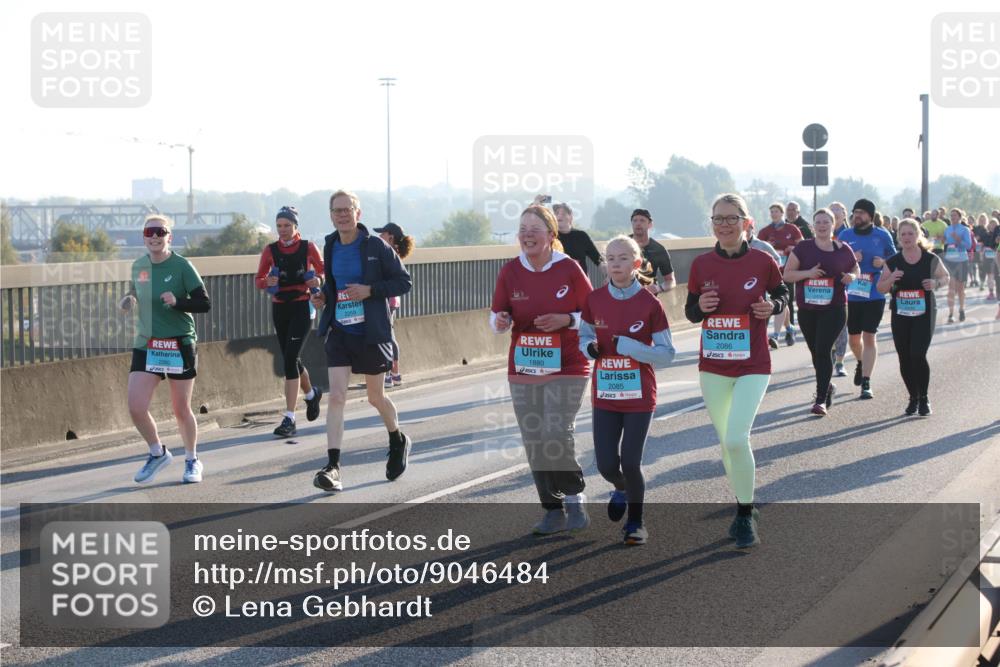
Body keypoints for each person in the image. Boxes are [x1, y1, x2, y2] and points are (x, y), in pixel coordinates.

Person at [685, 193, 788, 548]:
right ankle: (744, 502)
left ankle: (745, 513)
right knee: (726, 443)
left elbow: (783, 294)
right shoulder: (701, 265)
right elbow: (690, 312)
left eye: (731, 218)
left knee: (735, 438)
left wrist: (773, 306)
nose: (724, 225)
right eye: (718, 219)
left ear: (746, 222)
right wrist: (701, 306)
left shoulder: (763, 261)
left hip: (753, 363)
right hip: (714, 365)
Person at [491, 204, 593, 535]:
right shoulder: (510, 271)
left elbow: (594, 315)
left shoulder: (569, 268)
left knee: (555, 431)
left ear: (551, 234)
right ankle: (552, 509)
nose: (527, 235)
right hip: (525, 364)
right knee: (534, 438)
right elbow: (496, 316)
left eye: (534, 229)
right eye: (523, 229)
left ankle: (574, 497)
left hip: (568, 363)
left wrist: (566, 319)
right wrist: (500, 320)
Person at [310, 190, 413, 492]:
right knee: (336, 397)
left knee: (375, 397)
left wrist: (370, 290)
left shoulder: (376, 246)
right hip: (340, 331)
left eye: (348, 209)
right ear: (331, 215)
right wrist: (323, 297)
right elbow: (333, 285)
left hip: (371, 333)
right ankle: (333, 467)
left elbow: (403, 282)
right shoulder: (330, 245)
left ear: (358, 213)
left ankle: (397, 439)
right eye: (337, 210)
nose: (342, 215)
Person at [579, 235, 675, 545]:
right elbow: (583, 337)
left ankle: (636, 523)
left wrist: (632, 347)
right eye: (610, 258)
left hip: (639, 397)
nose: (615, 264)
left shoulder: (650, 303)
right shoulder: (594, 300)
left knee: (631, 462)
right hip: (606, 395)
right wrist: (589, 348)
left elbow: (667, 354)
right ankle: (621, 487)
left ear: (636, 263)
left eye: (622, 258)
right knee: (606, 465)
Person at [121, 215, 211, 485]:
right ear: (143, 237)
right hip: (147, 342)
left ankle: (192, 459)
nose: (155, 236)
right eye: (149, 232)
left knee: (180, 408)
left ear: (169, 237)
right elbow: (136, 290)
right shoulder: (139, 266)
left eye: (160, 232)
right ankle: (157, 453)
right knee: (136, 407)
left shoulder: (182, 266)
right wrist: (129, 299)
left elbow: (204, 303)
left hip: (178, 342)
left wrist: (178, 301)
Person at [255, 206, 325, 438]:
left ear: (295, 226)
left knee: (289, 359)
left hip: (302, 306)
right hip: (279, 307)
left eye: (287, 225)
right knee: (291, 358)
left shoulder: (308, 247)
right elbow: (258, 279)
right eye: (279, 226)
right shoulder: (270, 250)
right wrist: (267, 281)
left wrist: (318, 279)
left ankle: (289, 418)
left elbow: (324, 271)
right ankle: (312, 395)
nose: (283, 230)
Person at [781, 209, 858, 415]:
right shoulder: (803, 248)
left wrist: (852, 277)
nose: (822, 225)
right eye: (818, 222)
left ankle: (820, 399)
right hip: (808, 309)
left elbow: (855, 268)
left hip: (835, 308)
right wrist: (809, 273)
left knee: (823, 349)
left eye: (826, 222)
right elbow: (787, 275)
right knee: (816, 352)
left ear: (833, 225)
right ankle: (828, 385)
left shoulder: (843, 249)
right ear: (813, 226)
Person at [877, 219, 950, 417]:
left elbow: (946, 277)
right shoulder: (893, 261)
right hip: (901, 314)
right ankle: (913, 397)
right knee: (904, 357)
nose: (907, 237)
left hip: (924, 313)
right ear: (899, 237)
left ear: (918, 235)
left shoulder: (930, 258)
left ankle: (924, 398)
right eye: (903, 234)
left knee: (917, 354)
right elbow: (880, 288)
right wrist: (891, 279)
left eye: (910, 233)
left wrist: (935, 284)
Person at [837, 198, 896, 399]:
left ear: (870, 216)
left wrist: (884, 262)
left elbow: (895, 259)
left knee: (869, 336)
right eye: (855, 212)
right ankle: (861, 362)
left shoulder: (882, 235)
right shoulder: (845, 235)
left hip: (875, 293)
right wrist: (851, 258)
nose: (857, 216)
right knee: (854, 339)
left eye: (861, 213)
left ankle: (866, 382)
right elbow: (835, 261)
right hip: (852, 295)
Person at [374, 222, 415, 388]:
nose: (379, 236)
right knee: (389, 334)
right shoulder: (392, 253)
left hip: (388, 299)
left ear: (390, 237)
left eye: (382, 233)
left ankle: (391, 374)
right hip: (391, 299)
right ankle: (394, 374)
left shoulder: (389, 253)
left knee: (387, 336)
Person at [757, 202, 803, 346]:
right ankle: (767, 334)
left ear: (782, 213)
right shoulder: (765, 231)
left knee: (787, 301)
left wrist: (793, 248)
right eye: (772, 212)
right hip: (770, 272)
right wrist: (768, 249)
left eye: (776, 211)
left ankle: (789, 332)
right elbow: (757, 249)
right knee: (769, 301)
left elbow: (803, 246)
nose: (774, 214)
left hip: (788, 269)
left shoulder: (792, 229)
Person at [532, 196, 606, 280]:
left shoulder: (581, 236)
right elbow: (536, 225)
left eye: (563, 213)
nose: (559, 215)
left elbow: (598, 260)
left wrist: (610, 276)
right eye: (556, 213)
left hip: (580, 282)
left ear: (570, 217)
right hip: (557, 282)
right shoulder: (551, 237)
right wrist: (536, 205)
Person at [629, 209, 676, 295]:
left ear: (650, 224)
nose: (638, 223)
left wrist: (658, 288)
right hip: (624, 297)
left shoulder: (659, 249)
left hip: (648, 298)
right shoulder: (622, 244)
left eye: (642, 220)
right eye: (635, 220)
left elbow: (671, 281)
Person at [829, 201, 852, 375]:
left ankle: (840, 361)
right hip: (825, 285)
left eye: (838, 210)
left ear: (844, 214)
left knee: (841, 325)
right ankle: (829, 357)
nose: (835, 212)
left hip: (848, 284)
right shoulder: (823, 232)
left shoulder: (849, 234)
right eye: (832, 210)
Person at [942, 208, 973, 323]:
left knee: (960, 289)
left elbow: (968, 246)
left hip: (961, 260)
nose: (952, 217)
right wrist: (942, 240)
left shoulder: (964, 229)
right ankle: (950, 314)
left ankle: (961, 309)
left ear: (959, 217)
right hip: (950, 260)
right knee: (951, 288)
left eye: (955, 215)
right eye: (951, 215)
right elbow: (945, 242)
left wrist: (958, 239)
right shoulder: (947, 229)